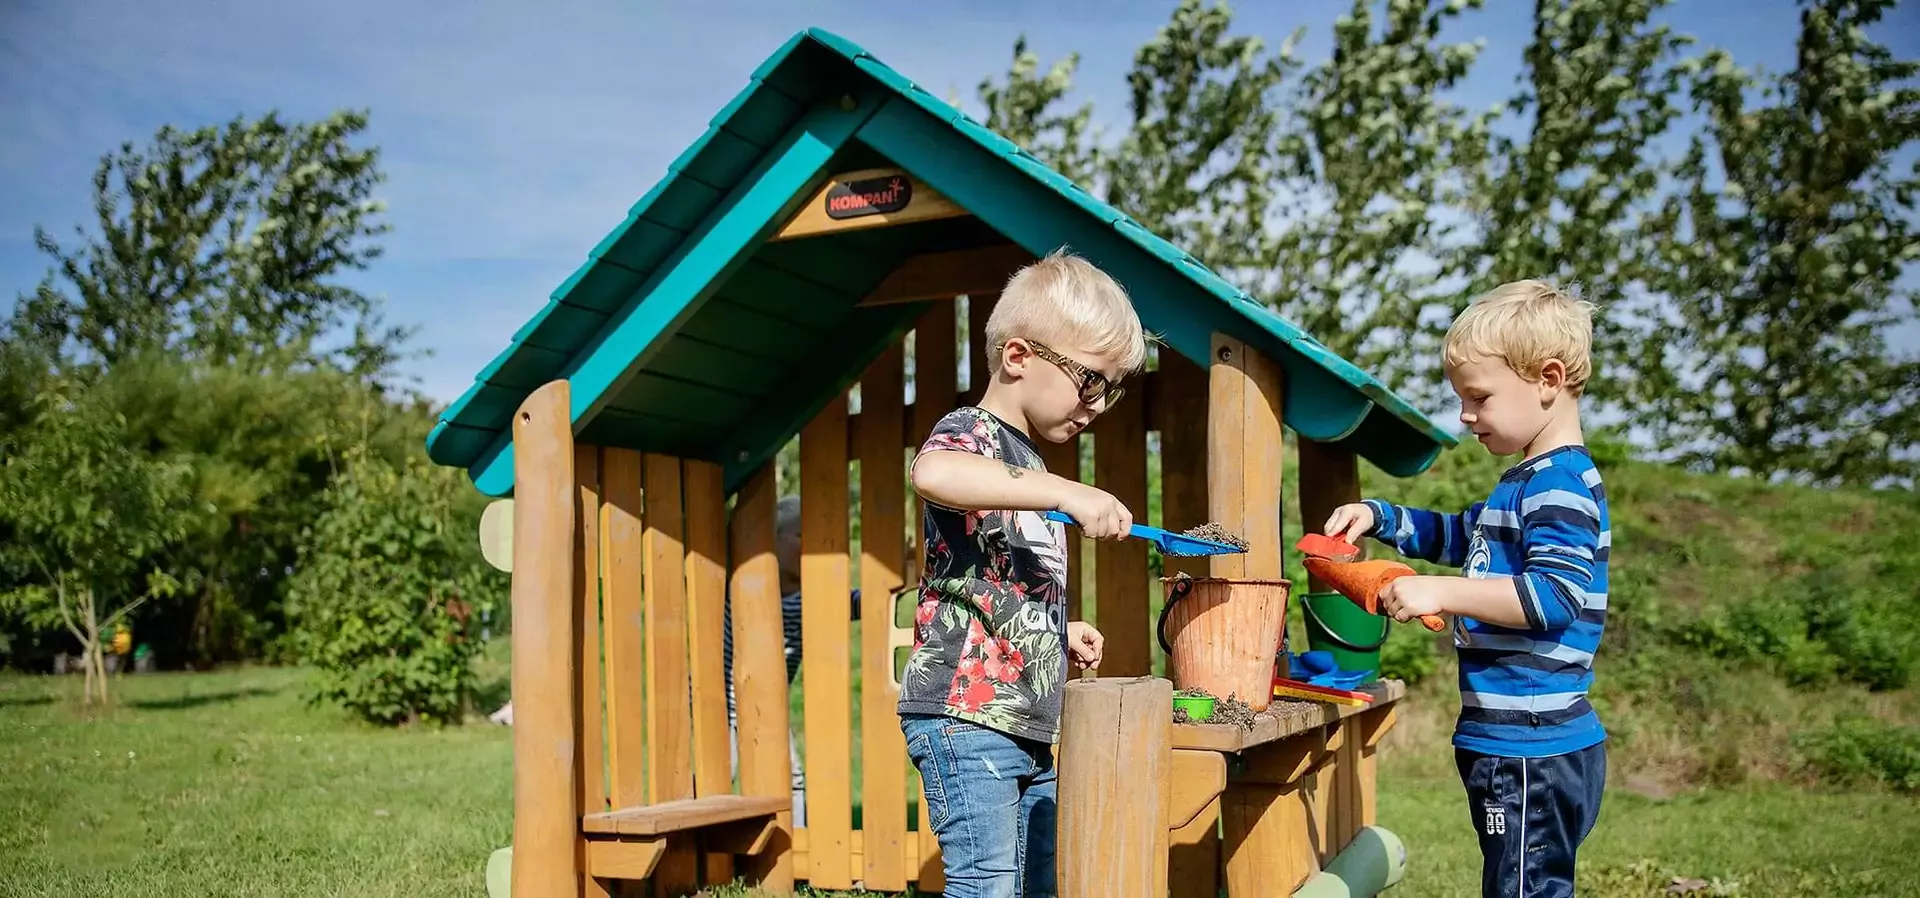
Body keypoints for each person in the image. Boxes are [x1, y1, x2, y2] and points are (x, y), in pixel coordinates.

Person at [1322, 280, 1611, 898]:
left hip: (1532, 746)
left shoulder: (1559, 485)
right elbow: (1464, 535)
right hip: (1510, 740)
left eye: (1478, 397)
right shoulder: (1524, 482)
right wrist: (1383, 517)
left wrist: (1442, 593)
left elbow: (1552, 597)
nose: (1465, 415)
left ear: (1548, 379)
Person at [899, 249, 1147, 897]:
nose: (1098, 405)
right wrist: (1065, 493)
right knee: (986, 886)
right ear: (1018, 357)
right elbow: (933, 473)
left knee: (1038, 882)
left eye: (1111, 390)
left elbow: (996, 580)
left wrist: (1053, 628)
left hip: (1025, 719)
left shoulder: (1026, 465)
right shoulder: (972, 433)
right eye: (1091, 380)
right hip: (966, 714)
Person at [721, 494, 863, 829]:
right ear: (772, 540)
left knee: (790, 774)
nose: (808, 548)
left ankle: (796, 842)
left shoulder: (813, 597)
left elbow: (859, 601)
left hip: (768, 705)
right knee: (718, 774)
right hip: (718, 705)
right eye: (800, 536)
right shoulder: (738, 585)